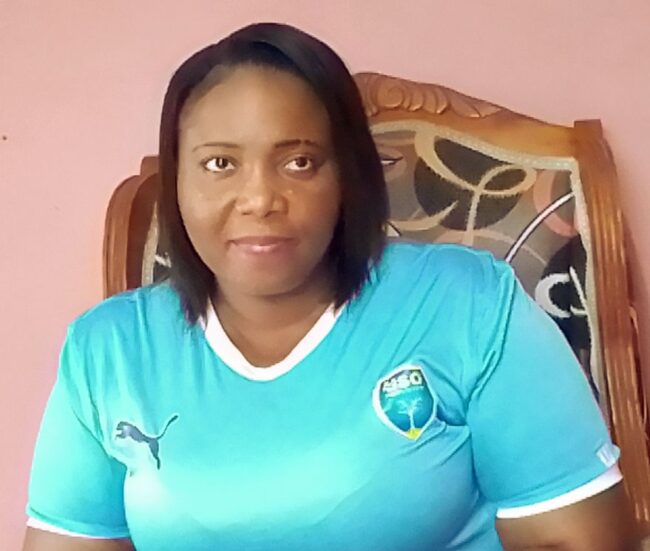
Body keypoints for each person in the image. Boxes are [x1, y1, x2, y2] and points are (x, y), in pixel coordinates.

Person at [23, 22, 636, 551]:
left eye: (299, 162)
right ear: (177, 183)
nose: (260, 199)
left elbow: (578, 539)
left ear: (348, 175)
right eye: (219, 164)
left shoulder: (469, 306)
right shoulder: (108, 352)